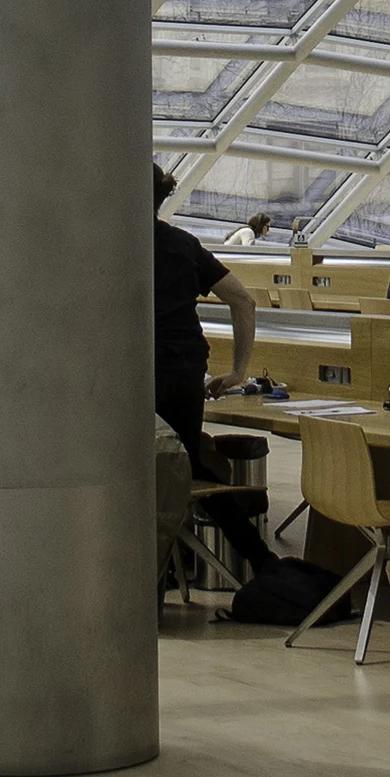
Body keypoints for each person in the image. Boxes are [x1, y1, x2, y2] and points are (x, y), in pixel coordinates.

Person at [152, 164, 272, 571]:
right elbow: (243, 301)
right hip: (183, 369)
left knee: (152, 467)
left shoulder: (107, 246)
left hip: (135, 372)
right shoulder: (183, 245)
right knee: (189, 461)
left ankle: (163, 566)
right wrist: (239, 371)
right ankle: (261, 561)